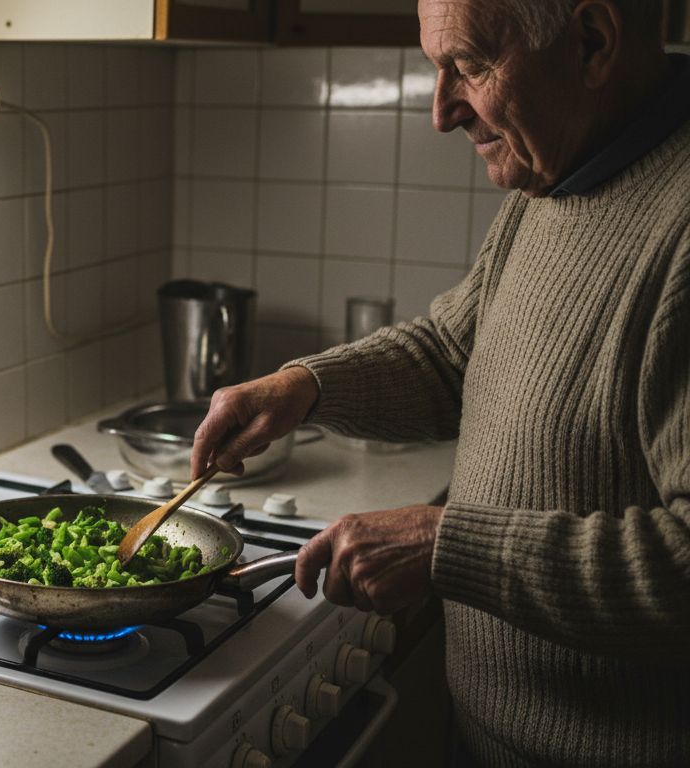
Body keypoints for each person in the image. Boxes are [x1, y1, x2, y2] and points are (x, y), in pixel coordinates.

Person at [190, 0, 690, 764]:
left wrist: (445, 546)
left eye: (470, 65)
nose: (441, 110)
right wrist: (302, 387)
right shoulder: (554, 180)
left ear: (591, 43)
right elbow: (453, 354)